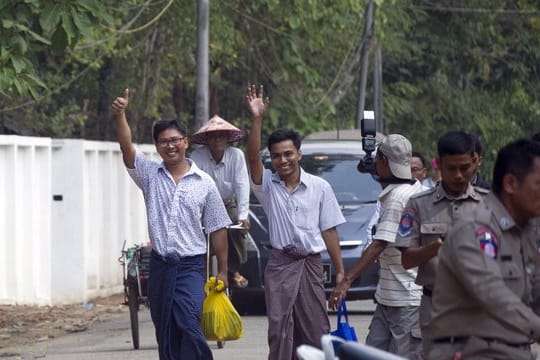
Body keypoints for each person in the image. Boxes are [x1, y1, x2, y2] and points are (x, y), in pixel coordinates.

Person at [112, 89, 230, 360]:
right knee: (165, 330)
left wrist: (223, 270)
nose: (170, 146)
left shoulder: (204, 183)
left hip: (191, 268)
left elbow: (218, 228)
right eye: (163, 142)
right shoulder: (150, 175)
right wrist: (120, 114)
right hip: (161, 266)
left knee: (190, 324)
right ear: (157, 146)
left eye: (175, 140)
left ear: (186, 142)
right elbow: (126, 148)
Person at [245, 84, 346, 360]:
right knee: (279, 331)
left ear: (299, 154)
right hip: (279, 264)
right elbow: (252, 157)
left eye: (288, 154)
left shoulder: (320, 187)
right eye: (276, 155)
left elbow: (329, 230)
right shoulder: (267, 185)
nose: (283, 160)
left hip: (311, 264)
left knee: (315, 330)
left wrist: (339, 271)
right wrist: (257, 119)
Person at [424, 139, 540, 360]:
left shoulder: (527, 231)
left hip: (514, 351)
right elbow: (494, 296)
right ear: (511, 184)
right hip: (472, 353)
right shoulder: (476, 229)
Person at [330, 133, 424, 360]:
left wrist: (346, 281)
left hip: (406, 300)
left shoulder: (398, 197)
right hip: (389, 297)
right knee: (372, 353)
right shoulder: (415, 188)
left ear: (383, 161)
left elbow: (380, 243)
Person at [395, 131, 489, 348]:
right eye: (451, 168)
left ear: (475, 162)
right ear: (438, 165)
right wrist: (437, 246)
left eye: (464, 168)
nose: (458, 175)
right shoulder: (418, 205)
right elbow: (407, 261)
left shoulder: (490, 204)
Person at [190, 115, 251, 288]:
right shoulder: (197, 156)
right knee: (195, 235)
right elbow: (193, 186)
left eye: (221, 136)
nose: (217, 140)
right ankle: (200, 271)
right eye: (213, 136)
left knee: (236, 227)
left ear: (227, 139)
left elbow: (242, 185)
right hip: (202, 207)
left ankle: (233, 270)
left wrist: (243, 215)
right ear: (207, 140)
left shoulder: (237, 156)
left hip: (226, 203)